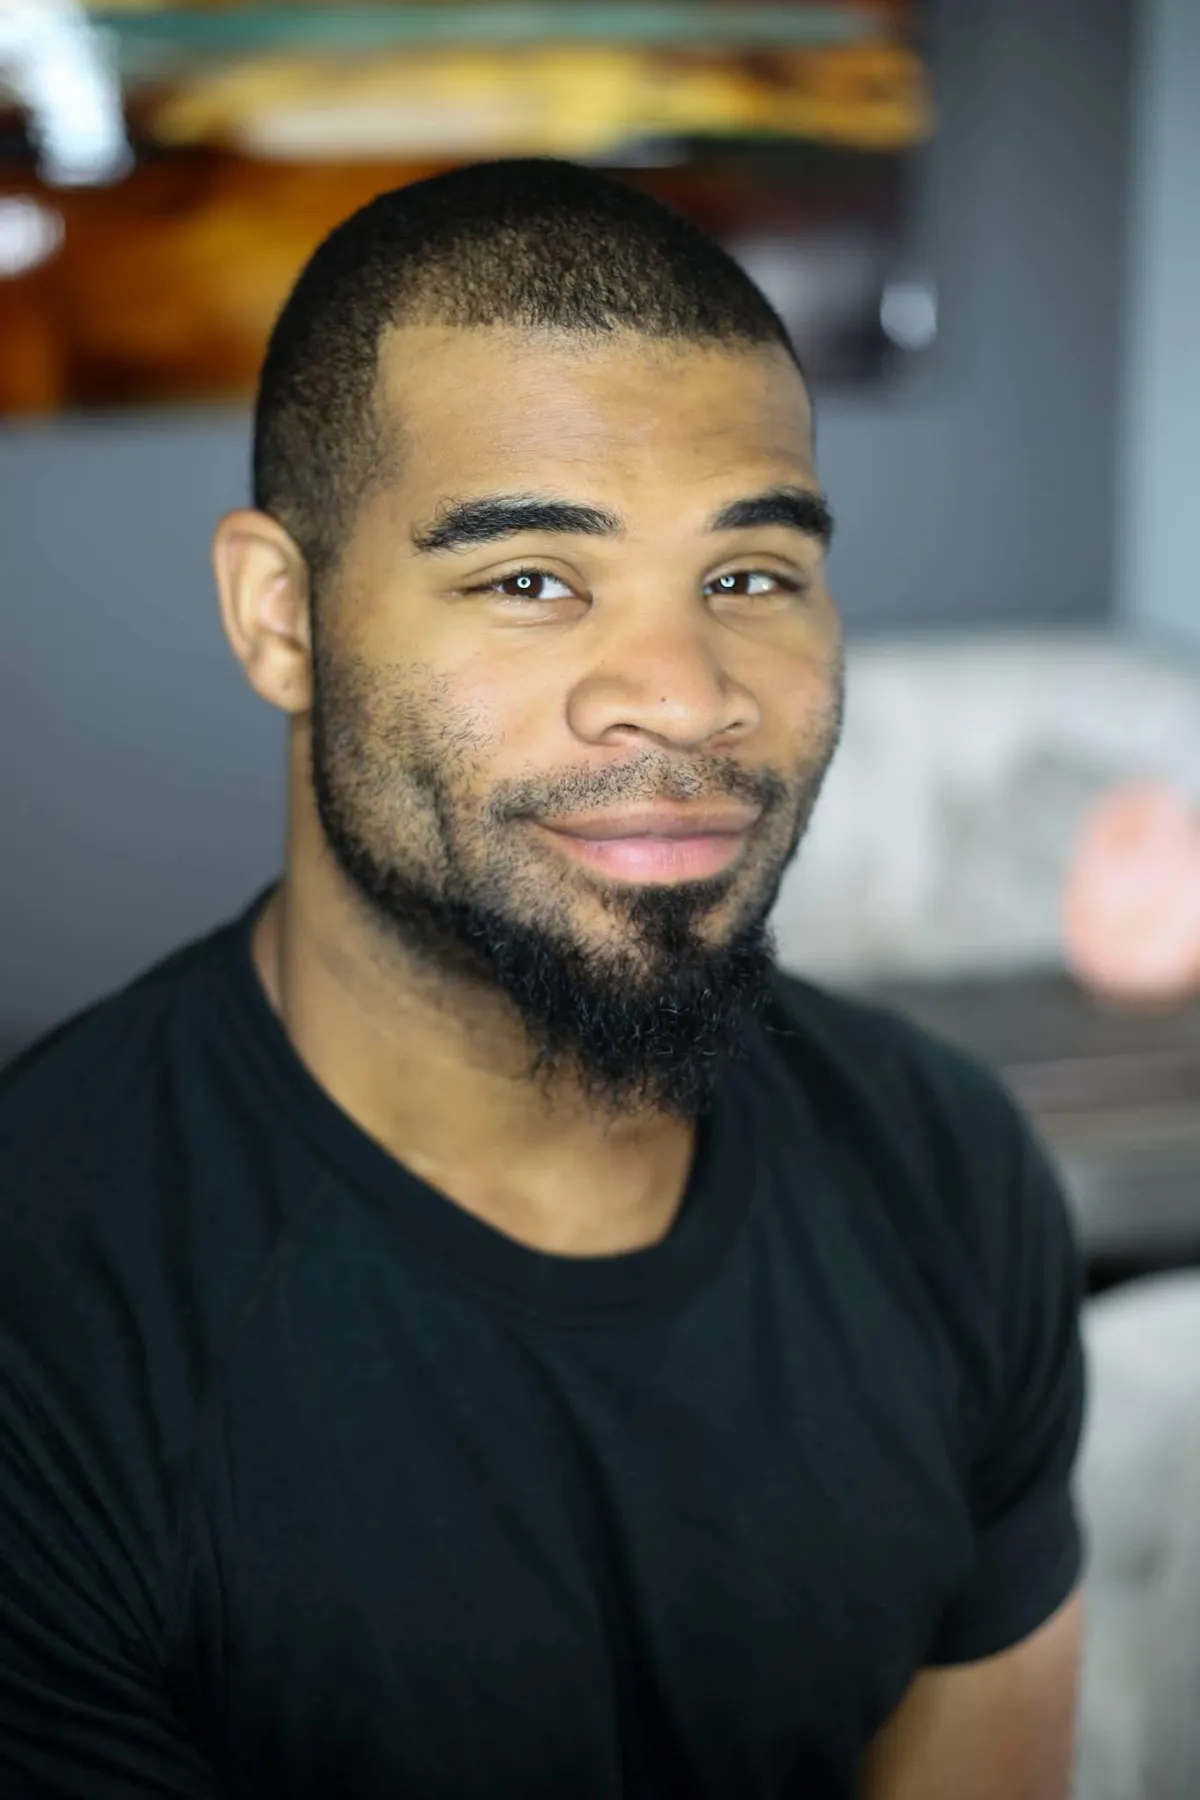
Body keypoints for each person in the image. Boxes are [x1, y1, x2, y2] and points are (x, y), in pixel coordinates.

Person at [0, 159, 1084, 1798]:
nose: (684, 695)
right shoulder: (49, 1319)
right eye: (528, 580)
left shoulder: (947, 1165)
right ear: (281, 617)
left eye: (749, 576)